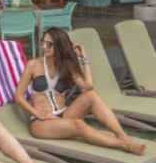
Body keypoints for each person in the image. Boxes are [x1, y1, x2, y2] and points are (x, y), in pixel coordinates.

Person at [14, 27, 147, 156]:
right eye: (43, 42)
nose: (44, 47)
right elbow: (18, 97)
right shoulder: (33, 65)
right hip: (41, 122)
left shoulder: (66, 66)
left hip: (64, 115)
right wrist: (38, 114)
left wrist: (84, 58)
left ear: (59, 46)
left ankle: (122, 136)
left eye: (49, 44)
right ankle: (123, 145)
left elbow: (88, 86)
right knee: (78, 124)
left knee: (91, 95)